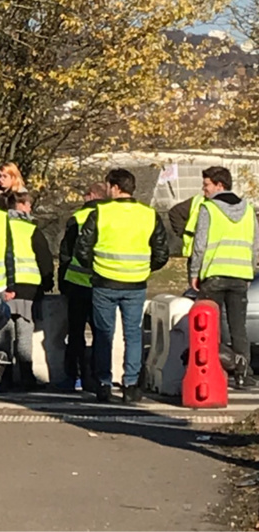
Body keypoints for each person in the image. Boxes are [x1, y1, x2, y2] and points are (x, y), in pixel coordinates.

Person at [74, 169, 169, 403]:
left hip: (104, 281)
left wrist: (94, 267)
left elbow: (82, 247)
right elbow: (162, 252)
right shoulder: (149, 214)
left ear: (115, 188)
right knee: (133, 335)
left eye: (108, 186)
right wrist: (145, 268)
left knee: (104, 334)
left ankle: (104, 384)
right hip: (135, 282)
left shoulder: (100, 212)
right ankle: (130, 385)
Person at [188, 166, 259, 387]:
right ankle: (243, 373)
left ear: (220, 185)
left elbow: (200, 245)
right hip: (240, 276)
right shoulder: (248, 210)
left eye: (206, 185)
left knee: (208, 328)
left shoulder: (208, 209)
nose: (204, 190)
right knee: (238, 328)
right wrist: (250, 271)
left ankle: (217, 368)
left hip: (214, 275)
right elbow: (255, 245)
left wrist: (194, 273)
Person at [2, 191, 54, 390]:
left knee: (4, 335)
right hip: (28, 287)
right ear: (21, 205)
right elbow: (44, 258)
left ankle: (4, 377)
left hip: (5, 285)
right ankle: (26, 376)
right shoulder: (31, 229)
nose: (30, 209)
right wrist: (47, 282)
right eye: (29, 205)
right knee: (24, 333)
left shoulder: (0, 227)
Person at [57, 182, 106, 392]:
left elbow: (66, 253)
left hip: (77, 283)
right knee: (101, 333)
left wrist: (62, 282)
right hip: (103, 283)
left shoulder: (77, 219)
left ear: (91, 195)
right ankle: (97, 376)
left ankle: (74, 376)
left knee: (75, 333)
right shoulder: (109, 216)